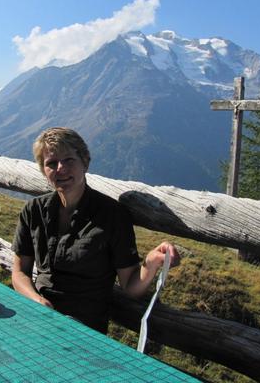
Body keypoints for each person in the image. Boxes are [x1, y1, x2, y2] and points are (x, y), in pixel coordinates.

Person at [11, 127, 180, 334]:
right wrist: (36, 300)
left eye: (69, 160)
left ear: (85, 162)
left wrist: (151, 262)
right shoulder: (33, 210)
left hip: (85, 328)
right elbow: (19, 272)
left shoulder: (113, 215)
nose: (60, 168)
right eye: (51, 163)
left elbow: (130, 286)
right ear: (43, 170)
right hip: (37, 318)